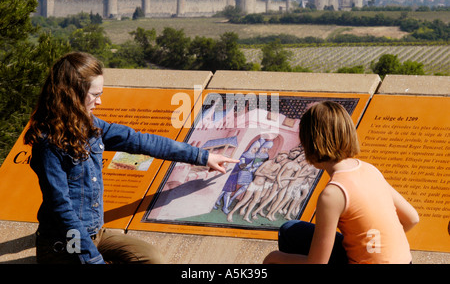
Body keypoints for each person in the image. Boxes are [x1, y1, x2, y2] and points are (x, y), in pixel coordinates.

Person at [24, 52, 237, 264]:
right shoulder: (48, 143)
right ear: (71, 95)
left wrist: (202, 156)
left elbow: (141, 141)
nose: (100, 102)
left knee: (152, 259)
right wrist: (93, 260)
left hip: (96, 233)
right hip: (64, 243)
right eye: (95, 95)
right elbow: (61, 209)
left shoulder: (91, 126)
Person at [263, 101, 419, 264]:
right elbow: (412, 218)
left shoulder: (333, 193)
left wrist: (275, 258)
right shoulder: (370, 170)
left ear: (310, 143)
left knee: (279, 254)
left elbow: (317, 263)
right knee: (290, 230)